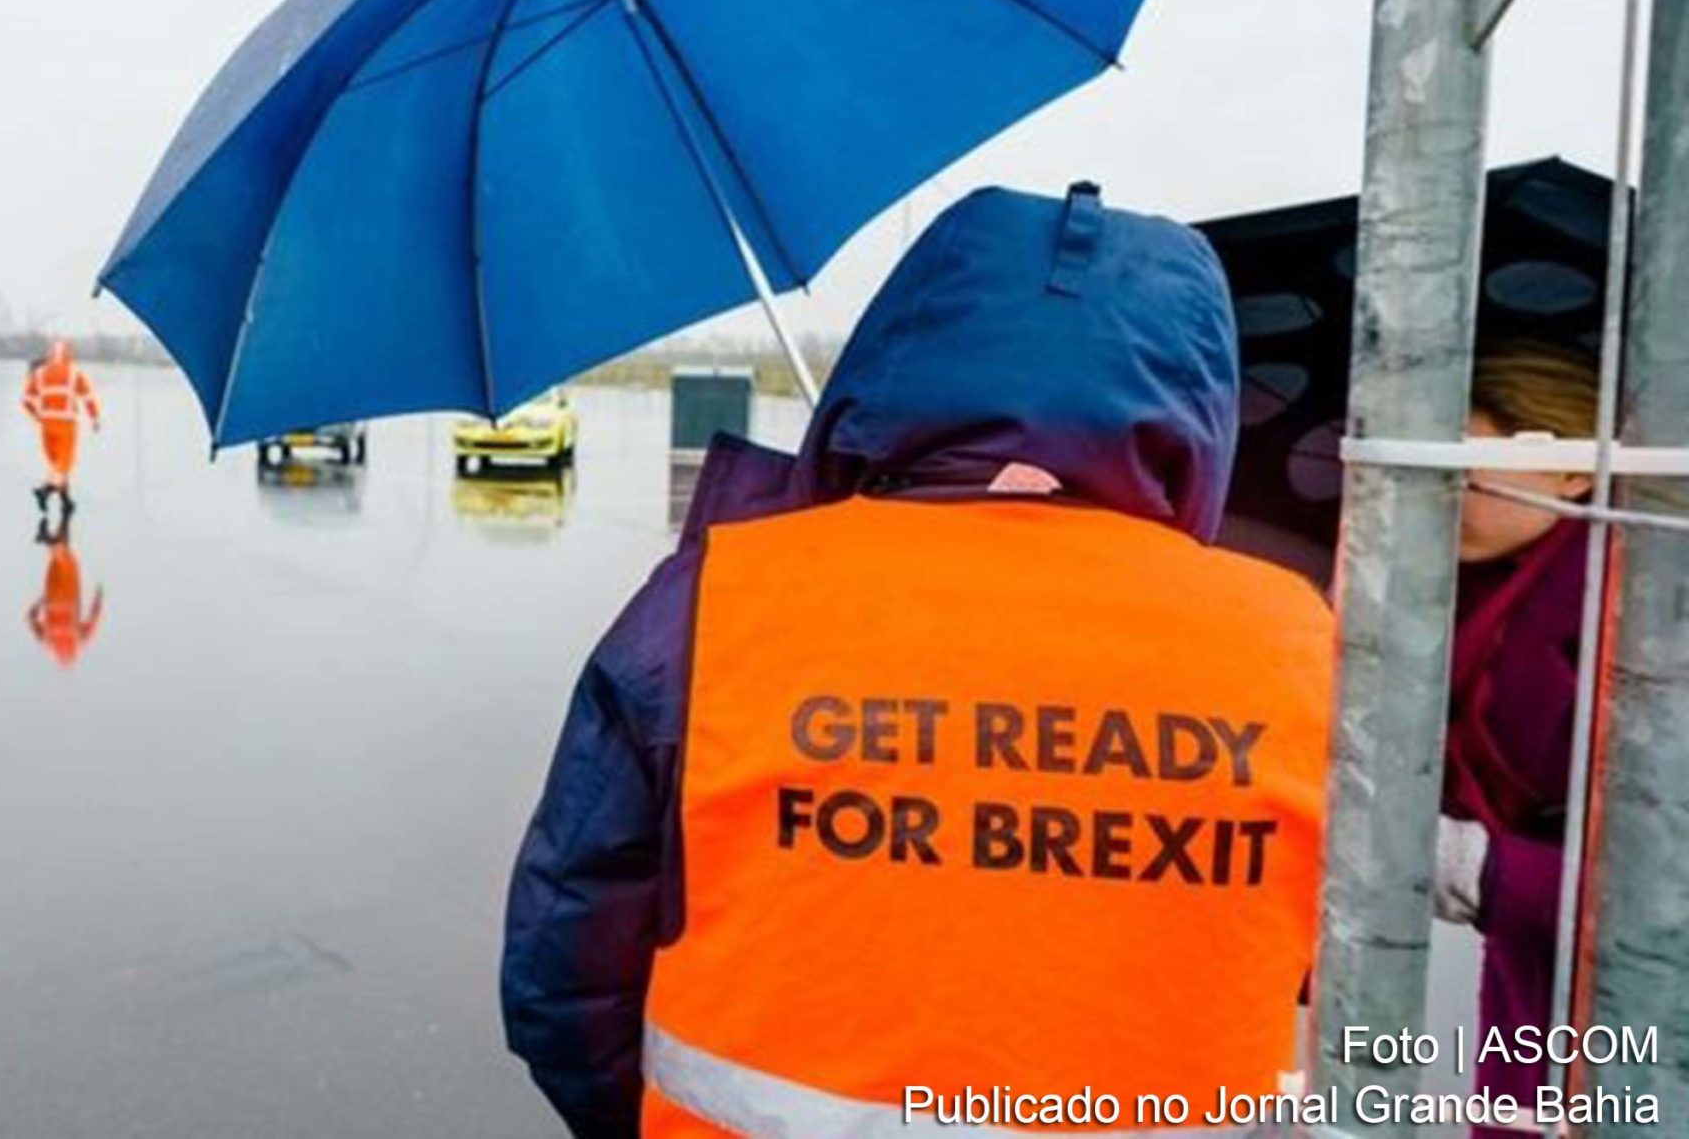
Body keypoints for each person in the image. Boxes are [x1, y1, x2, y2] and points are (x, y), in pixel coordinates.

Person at [501, 184, 1336, 1138]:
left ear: (895, 355)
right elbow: (1314, 966)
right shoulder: (1301, 642)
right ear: (1200, 403)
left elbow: (561, 974)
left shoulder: (715, 600)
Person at [1432, 341, 1600, 1139]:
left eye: (1464, 466)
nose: (1443, 493)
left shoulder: (1641, 610)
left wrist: (1487, 870)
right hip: (1531, 998)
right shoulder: (1462, 604)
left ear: (1573, 469)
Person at [22, 340, 101, 513]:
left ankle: (66, 500)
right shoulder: (75, 373)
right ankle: (45, 491)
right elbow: (88, 398)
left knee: (56, 465)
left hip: (46, 426)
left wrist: (37, 416)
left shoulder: (39, 373)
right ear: (68, 355)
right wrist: (94, 418)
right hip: (66, 425)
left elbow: (26, 401)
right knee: (64, 463)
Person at [28, 519, 103, 669]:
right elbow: (30, 618)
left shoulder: (79, 643)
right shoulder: (47, 643)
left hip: (69, 600)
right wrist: (41, 601)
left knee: (66, 559)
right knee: (57, 560)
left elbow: (94, 618)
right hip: (51, 599)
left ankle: (54, 537)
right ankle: (55, 534)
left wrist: (98, 597)